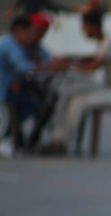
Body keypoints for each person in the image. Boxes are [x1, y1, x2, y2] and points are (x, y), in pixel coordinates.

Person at [47, 7, 111, 152]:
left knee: (77, 101)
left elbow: (93, 66)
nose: (83, 31)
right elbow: (91, 57)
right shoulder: (106, 42)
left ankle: (61, 142)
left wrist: (67, 66)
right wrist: (69, 59)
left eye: (84, 27)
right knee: (67, 93)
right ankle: (57, 137)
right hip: (110, 87)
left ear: (91, 27)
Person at [0, 15, 64, 157]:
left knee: (41, 101)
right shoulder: (9, 45)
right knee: (33, 104)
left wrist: (50, 64)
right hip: (5, 89)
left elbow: (46, 59)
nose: (31, 37)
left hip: (16, 87)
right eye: (28, 34)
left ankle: (22, 140)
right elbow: (24, 68)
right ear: (18, 31)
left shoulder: (27, 45)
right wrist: (47, 67)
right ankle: (10, 136)